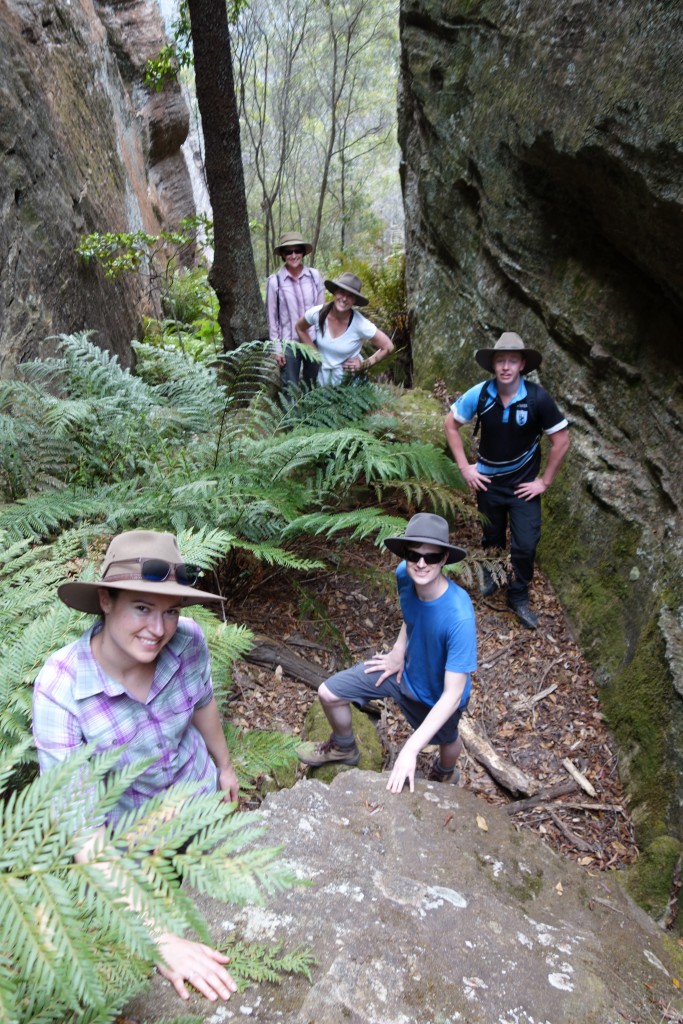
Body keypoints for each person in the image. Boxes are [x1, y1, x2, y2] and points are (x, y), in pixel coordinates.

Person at [32, 530, 240, 1003]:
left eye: (170, 610)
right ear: (106, 600)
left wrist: (224, 767)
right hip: (132, 844)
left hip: (198, 799)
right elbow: (81, 832)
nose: (159, 628)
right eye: (143, 608)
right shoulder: (60, 691)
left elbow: (203, 702)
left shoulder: (188, 642)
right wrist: (160, 940)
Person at [297, 513, 476, 794]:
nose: (421, 563)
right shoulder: (405, 576)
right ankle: (344, 748)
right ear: (405, 554)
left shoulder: (459, 616)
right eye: (414, 554)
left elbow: (453, 695)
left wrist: (410, 749)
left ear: (444, 559)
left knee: (447, 738)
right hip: (403, 672)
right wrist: (397, 651)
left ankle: (445, 772)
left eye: (431, 557)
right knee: (328, 693)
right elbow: (411, 615)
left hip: (436, 694)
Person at [444, 332, 570, 630]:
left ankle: (517, 595)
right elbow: (451, 425)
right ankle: (492, 573)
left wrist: (544, 483)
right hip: (488, 483)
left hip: (524, 488)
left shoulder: (538, 398)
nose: (506, 367)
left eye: (512, 361)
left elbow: (561, 440)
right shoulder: (482, 394)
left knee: (525, 545)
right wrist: (465, 469)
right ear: (493, 365)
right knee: (492, 536)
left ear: (522, 364)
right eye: (501, 360)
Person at [294, 271, 394, 387]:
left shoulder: (360, 324)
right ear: (335, 292)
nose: (344, 298)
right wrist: (315, 353)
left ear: (355, 300)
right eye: (341, 292)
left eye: (350, 295)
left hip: (351, 388)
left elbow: (388, 347)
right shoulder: (317, 313)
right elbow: (299, 327)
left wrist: (364, 364)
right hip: (322, 385)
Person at [266, 230, 324, 390]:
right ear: (283, 255)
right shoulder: (275, 281)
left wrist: (323, 342)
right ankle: (291, 416)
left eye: (297, 250)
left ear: (303, 252)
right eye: (288, 252)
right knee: (289, 389)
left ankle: (310, 415)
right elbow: (272, 319)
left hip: (312, 340)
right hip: (288, 344)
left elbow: (322, 313)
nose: (293, 255)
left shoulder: (314, 276)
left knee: (312, 388)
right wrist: (277, 349)